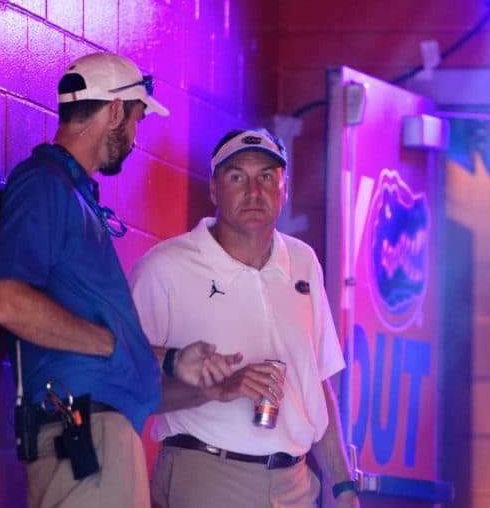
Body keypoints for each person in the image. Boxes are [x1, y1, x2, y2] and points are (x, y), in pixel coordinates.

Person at [0, 52, 232, 508]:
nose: (136, 137)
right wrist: (111, 345)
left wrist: (170, 360)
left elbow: (102, 335)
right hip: (84, 436)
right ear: (115, 111)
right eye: (136, 119)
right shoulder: (44, 183)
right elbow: (5, 301)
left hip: (101, 438)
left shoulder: (71, 190)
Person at [129, 128, 361, 507]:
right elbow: (129, 387)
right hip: (209, 473)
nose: (254, 192)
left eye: (267, 177)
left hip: (297, 483)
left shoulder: (302, 262)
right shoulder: (165, 268)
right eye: (237, 177)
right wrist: (218, 389)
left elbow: (316, 383)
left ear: (284, 188)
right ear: (214, 189)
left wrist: (343, 485)